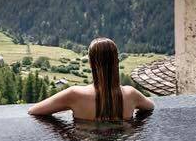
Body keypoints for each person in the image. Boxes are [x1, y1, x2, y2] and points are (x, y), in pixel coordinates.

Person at [27, 37, 155, 123]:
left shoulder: (74, 95)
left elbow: (34, 111)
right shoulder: (131, 94)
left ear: (90, 63)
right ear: (116, 61)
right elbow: (150, 107)